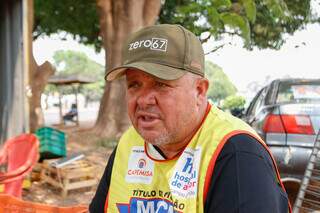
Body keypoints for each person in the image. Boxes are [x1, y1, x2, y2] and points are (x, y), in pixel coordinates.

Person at [90, 24, 291, 213]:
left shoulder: (237, 153)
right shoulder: (129, 143)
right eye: (134, 84)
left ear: (199, 91)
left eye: (161, 84)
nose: (143, 100)